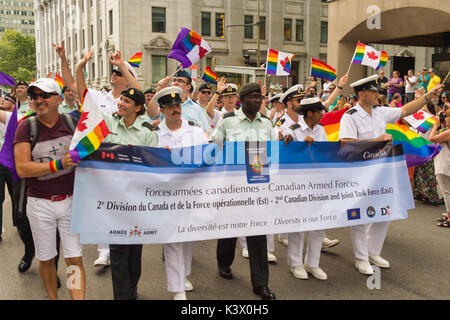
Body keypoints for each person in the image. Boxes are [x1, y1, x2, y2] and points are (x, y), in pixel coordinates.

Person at [339, 74, 443, 275]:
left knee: (384, 211)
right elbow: (346, 143)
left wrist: (427, 97)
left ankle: (373, 251)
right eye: (373, 91)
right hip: (361, 171)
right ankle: (361, 258)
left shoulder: (380, 112)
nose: (378, 93)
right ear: (362, 94)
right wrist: (377, 140)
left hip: (382, 170)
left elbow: (405, 110)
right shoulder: (350, 115)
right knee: (361, 215)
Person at [13, 78, 85, 300]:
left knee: (74, 260)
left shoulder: (74, 124)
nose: (38, 100)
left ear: (59, 99)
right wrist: (57, 165)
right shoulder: (26, 126)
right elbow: (23, 168)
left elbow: (96, 149)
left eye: (44, 95)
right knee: (46, 258)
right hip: (39, 203)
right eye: (34, 96)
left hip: (72, 201)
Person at [210, 83, 277, 300]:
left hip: (257, 187)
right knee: (229, 231)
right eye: (254, 97)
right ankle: (224, 263)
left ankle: (261, 284)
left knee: (258, 236)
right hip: (232, 188)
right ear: (243, 99)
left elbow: (274, 153)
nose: (258, 100)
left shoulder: (267, 124)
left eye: (261, 97)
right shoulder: (228, 121)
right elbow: (213, 146)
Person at [153, 86, 208, 300]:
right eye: (170, 107)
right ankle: (177, 288)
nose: (175, 110)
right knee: (173, 240)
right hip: (167, 195)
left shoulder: (195, 131)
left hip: (191, 193)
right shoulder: (155, 134)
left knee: (188, 238)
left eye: (177, 105)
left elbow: (206, 157)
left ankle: (183, 275)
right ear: (162, 110)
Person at [282, 97, 330, 280]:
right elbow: (285, 148)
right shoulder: (293, 130)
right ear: (310, 113)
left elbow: (325, 153)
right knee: (298, 224)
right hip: (298, 184)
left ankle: (313, 263)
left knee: (319, 224)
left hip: (318, 183)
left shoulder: (321, 130)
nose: (321, 115)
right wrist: (300, 144)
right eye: (319, 112)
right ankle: (296, 264)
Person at [429, 109, 450, 227]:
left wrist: (435, 126)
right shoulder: (446, 130)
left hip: (445, 165)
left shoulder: (448, 132)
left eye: (447, 117)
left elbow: (432, 138)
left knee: (447, 192)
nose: (445, 119)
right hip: (444, 163)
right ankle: (448, 214)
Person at [0, 93, 16, 242]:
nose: (3, 100)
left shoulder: (15, 117)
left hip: (11, 161)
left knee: (15, 194)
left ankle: (19, 222)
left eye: (6, 99)